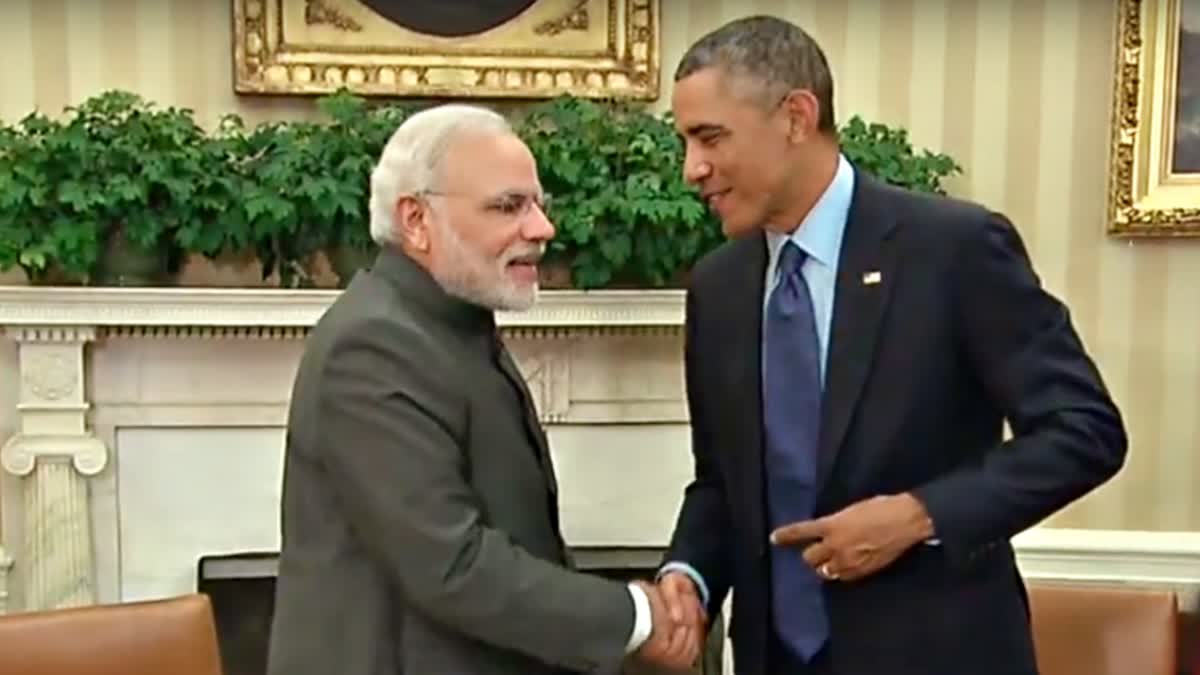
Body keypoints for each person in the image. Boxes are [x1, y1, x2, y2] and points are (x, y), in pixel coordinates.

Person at [654, 15, 1128, 675]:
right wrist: (688, 575)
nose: (691, 169)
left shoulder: (953, 250)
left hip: (937, 653)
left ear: (795, 115)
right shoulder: (719, 287)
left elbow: (1086, 430)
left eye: (709, 138)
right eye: (685, 141)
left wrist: (917, 514)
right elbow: (722, 482)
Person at [266, 103, 698, 675]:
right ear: (416, 220)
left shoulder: (447, 322)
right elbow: (451, 563)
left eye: (539, 204)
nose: (542, 228)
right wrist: (635, 617)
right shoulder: (373, 345)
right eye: (508, 206)